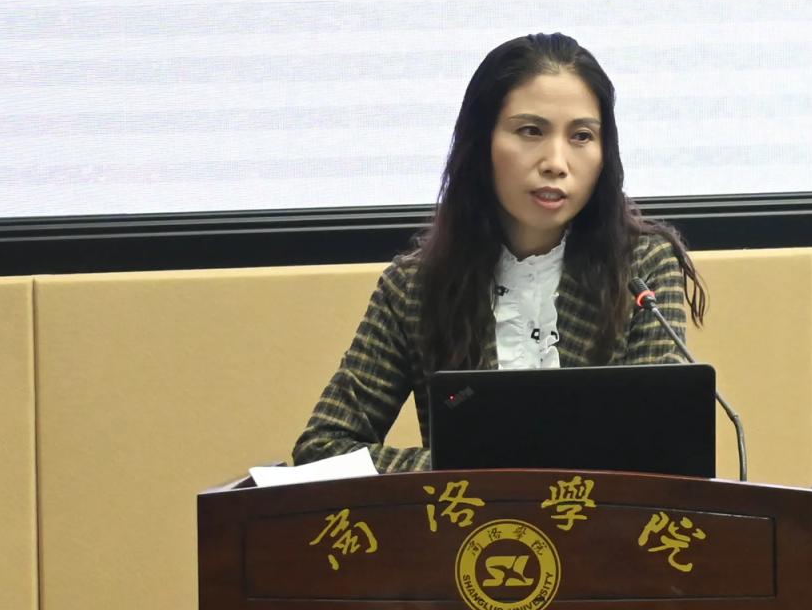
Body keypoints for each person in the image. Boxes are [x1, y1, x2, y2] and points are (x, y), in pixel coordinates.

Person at [292, 33, 707, 472]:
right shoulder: (414, 288)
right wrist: (475, 470)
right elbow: (322, 448)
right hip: (468, 518)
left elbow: (661, 451)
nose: (556, 162)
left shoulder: (641, 268)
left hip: (597, 519)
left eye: (582, 136)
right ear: (481, 142)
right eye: (531, 131)